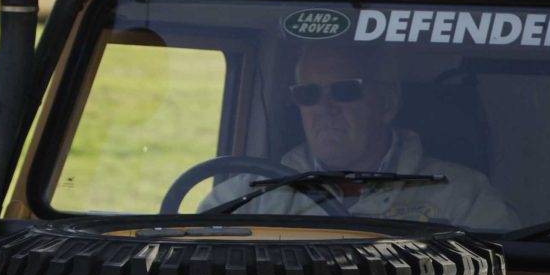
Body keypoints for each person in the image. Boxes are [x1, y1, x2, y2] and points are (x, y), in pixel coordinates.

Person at [208, 43, 515, 227]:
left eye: (345, 91)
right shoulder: (246, 199)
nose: (325, 108)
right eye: (309, 94)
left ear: (387, 102)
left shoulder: (463, 197)